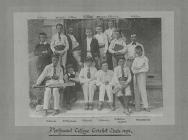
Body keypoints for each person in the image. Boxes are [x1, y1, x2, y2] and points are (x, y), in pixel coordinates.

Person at [126, 34, 145, 106]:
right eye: (132, 37)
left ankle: (138, 100)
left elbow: (143, 55)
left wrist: (136, 57)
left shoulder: (140, 45)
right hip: (129, 63)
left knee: (137, 81)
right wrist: (128, 58)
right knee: (130, 81)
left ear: (136, 37)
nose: (133, 38)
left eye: (134, 37)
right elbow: (125, 55)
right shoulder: (127, 46)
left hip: (137, 62)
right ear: (130, 38)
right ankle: (131, 100)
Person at [131, 45, 150, 112]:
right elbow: (133, 68)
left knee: (143, 90)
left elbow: (146, 69)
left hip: (142, 76)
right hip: (136, 76)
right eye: (136, 52)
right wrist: (139, 69)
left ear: (141, 51)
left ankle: (146, 106)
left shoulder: (145, 59)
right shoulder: (135, 59)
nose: (138, 53)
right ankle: (138, 107)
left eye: (139, 52)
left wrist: (138, 69)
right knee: (136, 91)